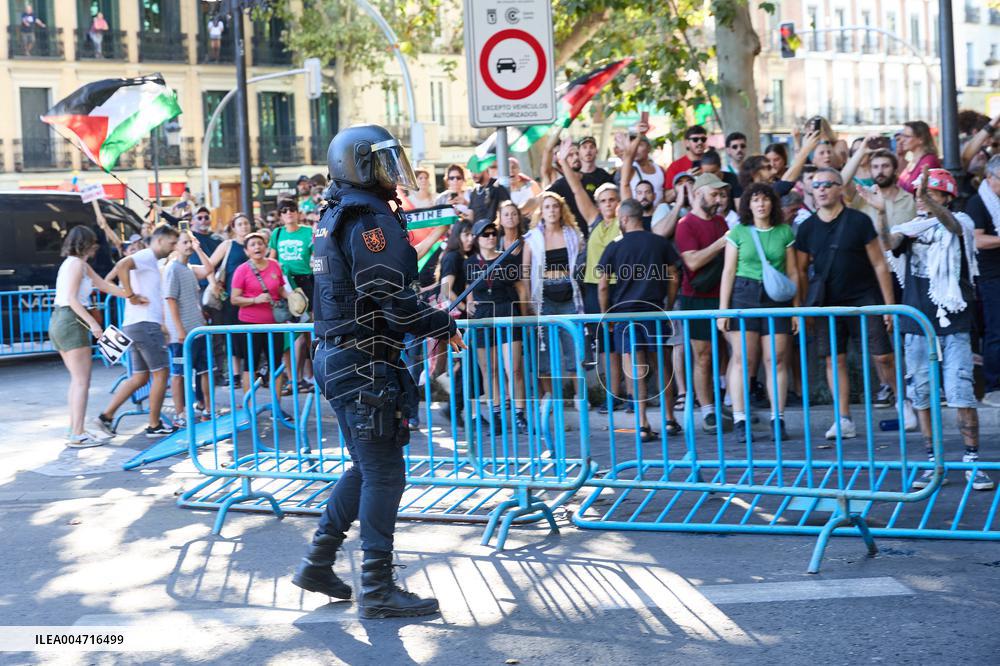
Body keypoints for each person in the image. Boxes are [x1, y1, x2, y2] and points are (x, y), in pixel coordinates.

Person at [292, 124, 462, 618]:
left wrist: (429, 319)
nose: (393, 174)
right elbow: (393, 303)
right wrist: (440, 321)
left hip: (344, 357)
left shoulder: (336, 213)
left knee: (368, 467)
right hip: (364, 362)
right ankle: (378, 589)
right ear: (359, 166)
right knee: (385, 473)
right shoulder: (368, 218)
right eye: (382, 164)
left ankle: (319, 562)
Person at [877, 167, 994, 492]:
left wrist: (929, 198)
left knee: (960, 393)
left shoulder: (963, 223)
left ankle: (972, 461)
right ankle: (934, 461)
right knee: (922, 395)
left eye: (929, 194)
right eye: (919, 195)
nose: (921, 201)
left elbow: (953, 226)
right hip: (916, 322)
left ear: (945, 196)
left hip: (953, 320)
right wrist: (879, 212)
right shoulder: (909, 228)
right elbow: (888, 241)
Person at [794, 168, 897, 440]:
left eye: (828, 184)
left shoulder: (859, 221)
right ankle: (843, 418)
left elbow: (879, 264)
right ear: (811, 191)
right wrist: (805, 307)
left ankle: (903, 402)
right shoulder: (806, 228)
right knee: (834, 359)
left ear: (840, 188)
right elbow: (801, 271)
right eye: (817, 185)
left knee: (883, 355)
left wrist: (888, 306)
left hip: (865, 297)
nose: (822, 189)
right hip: (827, 302)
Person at [717, 183, 798, 441]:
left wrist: (797, 310)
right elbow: (728, 272)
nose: (761, 204)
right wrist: (723, 309)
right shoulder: (738, 232)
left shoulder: (785, 231)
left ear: (773, 203)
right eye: (755, 200)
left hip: (777, 297)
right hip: (744, 293)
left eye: (765, 200)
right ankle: (740, 418)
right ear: (748, 205)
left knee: (776, 359)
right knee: (743, 359)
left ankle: (778, 418)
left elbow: (793, 272)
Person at [598, 198, 681, 438]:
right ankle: (669, 418)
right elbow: (674, 276)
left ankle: (642, 423)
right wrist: (669, 302)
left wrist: (607, 314)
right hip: (654, 310)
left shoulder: (615, 246)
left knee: (634, 367)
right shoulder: (658, 242)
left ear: (623, 219)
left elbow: (603, 285)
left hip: (625, 315)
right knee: (661, 363)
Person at [92, 225, 181, 439]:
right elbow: (122, 264)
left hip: (136, 324)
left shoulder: (151, 260)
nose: (173, 248)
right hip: (144, 325)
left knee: (140, 377)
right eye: (171, 243)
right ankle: (154, 424)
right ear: (159, 240)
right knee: (161, 373)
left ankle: (106, 417)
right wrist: (130, 295)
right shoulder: (146, 255)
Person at [49, 227, 128, 448]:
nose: (96, 246)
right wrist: (94, 324)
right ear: (86, 244)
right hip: (72, 320)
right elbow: (73, 299)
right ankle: (78, 433)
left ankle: (75, 429)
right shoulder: (76, 265)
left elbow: (103, 285)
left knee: (77, 380)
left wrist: (130, 294)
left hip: (61, 319)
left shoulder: (75, 264)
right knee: (82, 381)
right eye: (93, 242)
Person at [674, 173, 731, 433]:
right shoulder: (686, 224)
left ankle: (730, 403)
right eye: (714, 194)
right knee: (703, 355)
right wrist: (722, 242)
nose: (719, 199)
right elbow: (693, 261)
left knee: (733, 352)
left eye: (721, 194)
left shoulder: (721, 221)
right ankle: (707, 409)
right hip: (696, 298)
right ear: (698, 194)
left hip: (724, 295)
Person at [464, 218, 529, 430]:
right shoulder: (470, 263)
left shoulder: (508, 259)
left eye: (493, 233)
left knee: (514, 368)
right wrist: (469, 305)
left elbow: (521, 288)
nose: (491, 237)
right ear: (477, 238)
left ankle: (520, 415)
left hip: (506, 311)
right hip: (483, 315)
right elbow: (469, 291)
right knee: (488, 369)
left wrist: (525, 315)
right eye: (486, 234)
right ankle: (497, 416)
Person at [522, 192, 584, 410]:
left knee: (574, 347)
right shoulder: (532, 238)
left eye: (555, 206)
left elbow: (580, 266)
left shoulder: (573, 234)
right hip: (544, 297)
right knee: (544, 350)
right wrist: (529, 301)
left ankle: (579, 397)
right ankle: (550, 399)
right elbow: (525, 270)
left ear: (561, 210)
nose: (551, 210)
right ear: (541, 211)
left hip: (569, 295)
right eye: (547, 207)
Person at [229, 232, 294, 397]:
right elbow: (234, 299)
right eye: (252, 244)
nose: (257, 247)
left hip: (274, 324)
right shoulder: (242, 270)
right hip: (250, 324)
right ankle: (248, 409)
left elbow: (279, 289)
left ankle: (276, 409)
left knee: (276, 365)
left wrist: (293, 298)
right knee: (250, 366)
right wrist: (255, 300)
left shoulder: (274, 265)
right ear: (246, 251)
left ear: (266, 247)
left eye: (260, 243)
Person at [164, 232, 216, 426]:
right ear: (175, 245)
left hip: (198, 328)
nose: (187, 245)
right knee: (178, 373)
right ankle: (180, 413)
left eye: (189, 242)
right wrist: (179, 330)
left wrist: (198, 248)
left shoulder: (189, 268)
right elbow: (170, 300)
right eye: (184, 242)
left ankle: (208, 409)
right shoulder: (172, 269)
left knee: (205, 369)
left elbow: (209, 269)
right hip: (181, 334)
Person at [968, 155, 1000, 406]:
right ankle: (993, 387)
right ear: (990, 178)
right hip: (992, 276)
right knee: (996, 332)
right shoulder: (979, 203)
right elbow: (977, 240)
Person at [547, 136, 615, 232]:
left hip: (596, 230)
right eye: (570, 155)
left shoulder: (594, 179)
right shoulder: (559, 185)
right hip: (572, 234)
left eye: (577, 154)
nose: (575, 157)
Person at [664, 125, 710, 203]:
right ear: (686, 143)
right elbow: (667, 198)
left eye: (703, 139)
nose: (700, 142)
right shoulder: (675, 166)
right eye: (695, 139)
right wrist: (685, 179)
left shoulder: (711, 164)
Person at [897, 120, 942, 193]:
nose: (901, 140)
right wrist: (901, 156)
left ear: (921, 139)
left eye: (907, 137)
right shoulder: (913, 160)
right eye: (902, 136)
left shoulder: (929, 161)